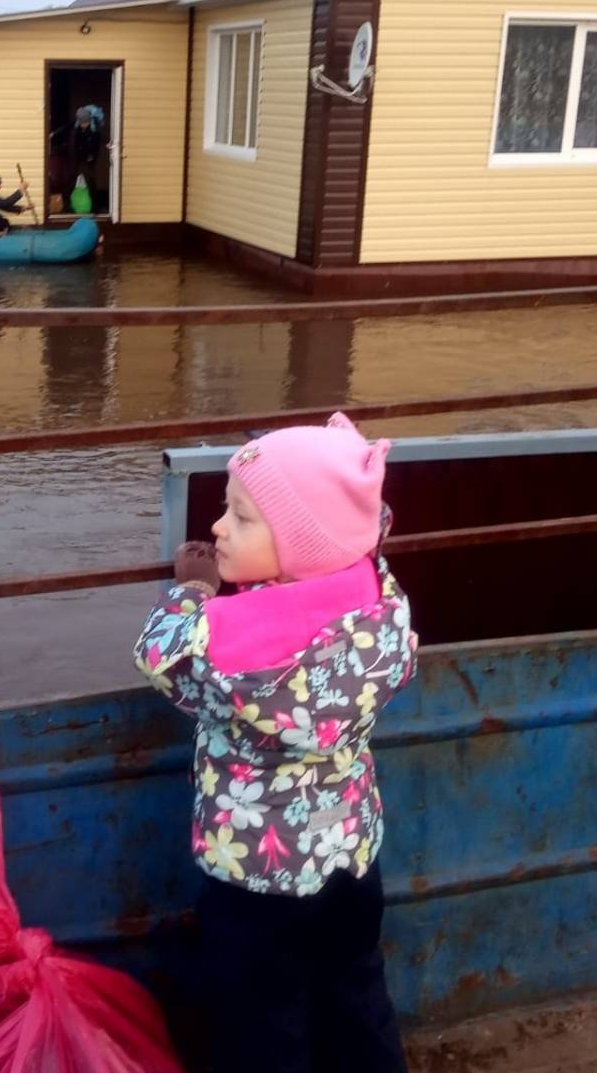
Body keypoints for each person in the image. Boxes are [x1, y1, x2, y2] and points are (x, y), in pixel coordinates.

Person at [133, 413, 416, 1073]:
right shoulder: (379, 603)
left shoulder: (231, 650)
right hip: (350, 855)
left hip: (256, 877)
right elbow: (355, 538)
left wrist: (191, 591)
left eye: (241, 517)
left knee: (262, 1023)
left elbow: (160, 655)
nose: (217, 528)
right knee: (357, 998)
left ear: (301, 546)